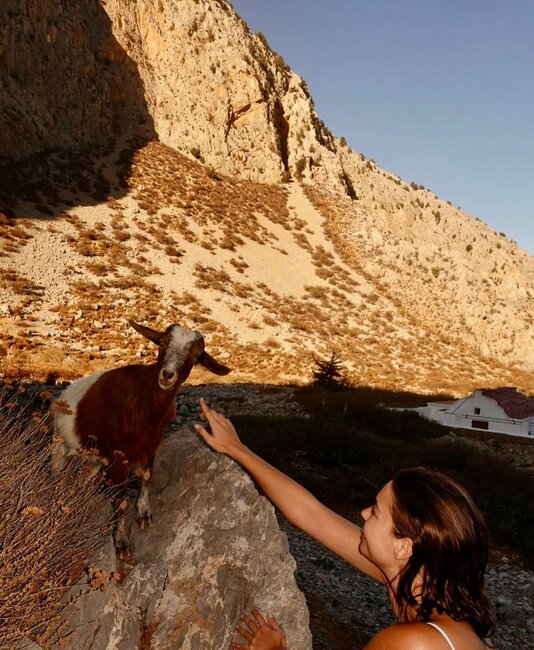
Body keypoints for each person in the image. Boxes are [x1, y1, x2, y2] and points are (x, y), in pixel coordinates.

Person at [195, 398, 496, 650]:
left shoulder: (411, 643)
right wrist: (237, 449)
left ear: (404, 546)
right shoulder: (424, 584)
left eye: (376, 512)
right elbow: (309, 513)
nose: (364, 513)